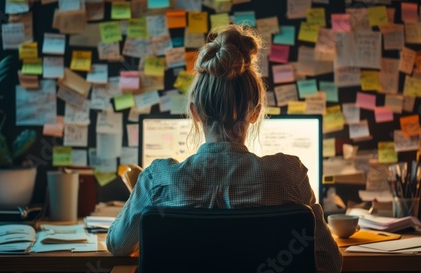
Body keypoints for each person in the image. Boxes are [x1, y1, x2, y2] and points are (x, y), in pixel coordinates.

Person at [106, 24, 342, 272]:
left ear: (195, 112)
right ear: (256, 112)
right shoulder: (290, 176)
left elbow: (118, 245)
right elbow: (330, 262)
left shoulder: (157, 180)